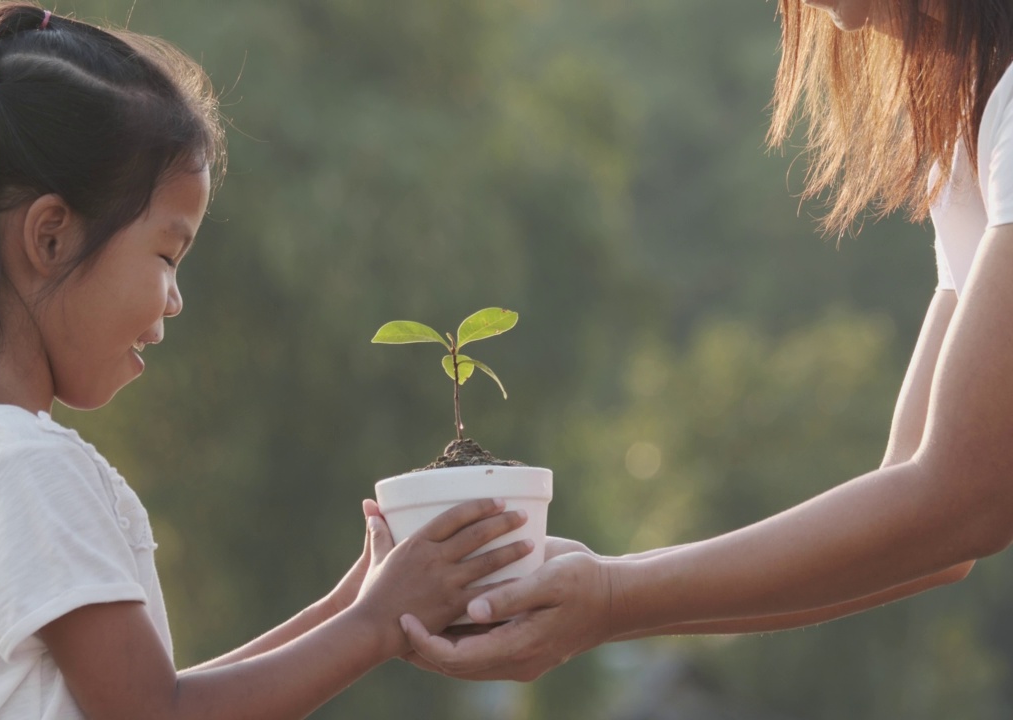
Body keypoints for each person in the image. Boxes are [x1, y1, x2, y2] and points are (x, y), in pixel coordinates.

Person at [0, 4, 534, 717]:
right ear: (51, 237)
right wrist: (373, 627)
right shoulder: (22, 468)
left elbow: (145, 697)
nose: (175, 299)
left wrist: (351, 607)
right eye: (166, 253)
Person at [399, 0, 1013, 682]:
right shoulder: (973, 115)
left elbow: (962, 500)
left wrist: (610, 597)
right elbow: (924, 509)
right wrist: (603, 594)